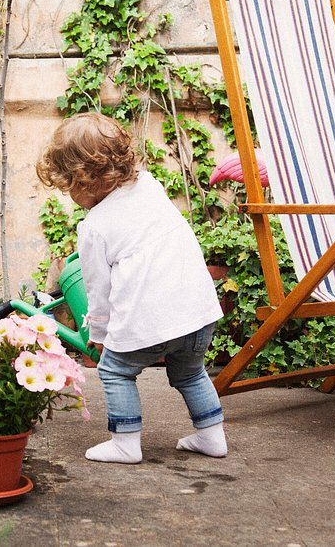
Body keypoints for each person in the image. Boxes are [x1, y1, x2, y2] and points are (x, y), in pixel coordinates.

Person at [36, 112, 227, 464]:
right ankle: (212, 437)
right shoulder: (151, 187)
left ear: (81, 179)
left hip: (150, 320)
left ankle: (125, 443)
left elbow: (99, 290)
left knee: (114, 370)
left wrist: (101, 333)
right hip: (199, 314)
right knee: (190, 372)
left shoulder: (94, 227)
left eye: (69, 187)